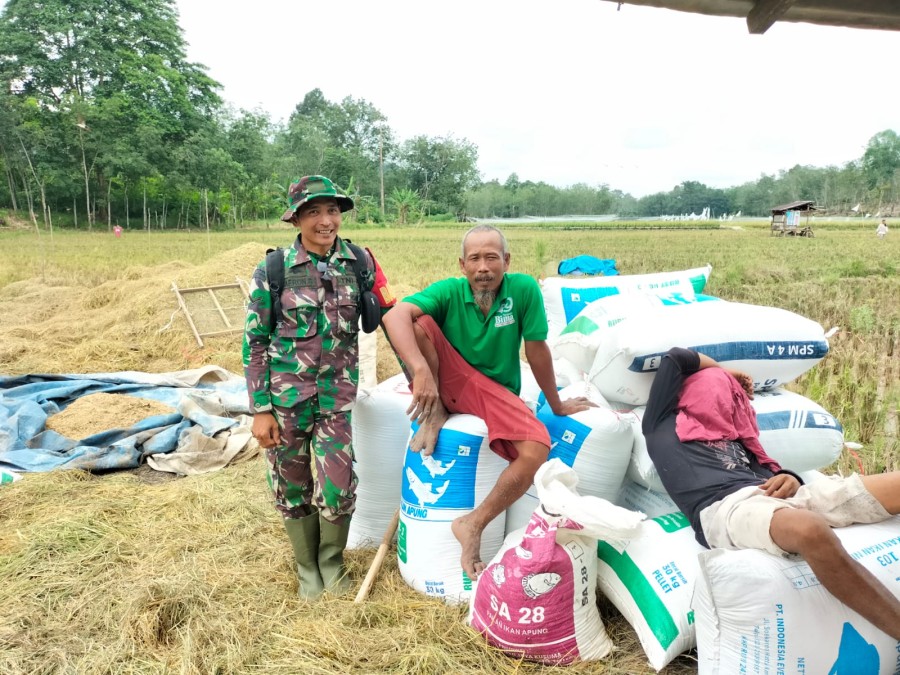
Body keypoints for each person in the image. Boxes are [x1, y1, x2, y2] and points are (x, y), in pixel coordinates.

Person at [642, 346, 900, 639]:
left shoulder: (738, 438)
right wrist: (724, 372)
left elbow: (773, 475)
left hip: (773, 498)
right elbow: (677, 357)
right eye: (717, 392)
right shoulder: (660, 424)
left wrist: (790, 478)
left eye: (731, 398)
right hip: (726, 510)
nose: (726, 403)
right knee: (809, 529)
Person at [381, 224, 593, 580]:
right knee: (419, 321)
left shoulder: (523, 290)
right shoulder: (450, 292)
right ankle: (435, 412)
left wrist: (556, 404)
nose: (483, 267)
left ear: (506, 261)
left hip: (493, 392)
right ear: (462, 265)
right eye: (475, 259)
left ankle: (473, 523)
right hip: (449, 381)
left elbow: (537, 350)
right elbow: (393, 316)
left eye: (492, 258)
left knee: (536, 448)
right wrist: (420, 371)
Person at [242, 175, 394, 600]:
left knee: (339, 486)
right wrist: (260, 409)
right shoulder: (274, 270)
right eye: (314, 212)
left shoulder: (360, 263)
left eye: (332, 211)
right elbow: (254, 343)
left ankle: (331, 560)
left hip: (335, 401)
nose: (326, 221)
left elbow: (387, 311)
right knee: (291, 486)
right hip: (286, 402)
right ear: (296, 218)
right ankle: (307, 565)